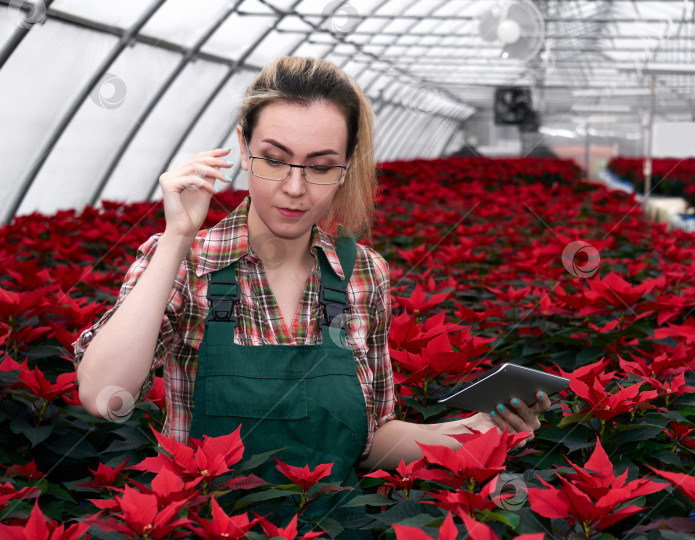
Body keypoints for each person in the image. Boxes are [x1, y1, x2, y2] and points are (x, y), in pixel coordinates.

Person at [73, 55, 550, 515]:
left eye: (321, 167)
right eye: (274, 160)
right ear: (243, 147)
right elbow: (103, 395)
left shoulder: (363, 274)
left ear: (346, 166)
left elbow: (369, 441)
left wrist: (477, 430)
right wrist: (178, 235)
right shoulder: (184, 260)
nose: (295, 188)